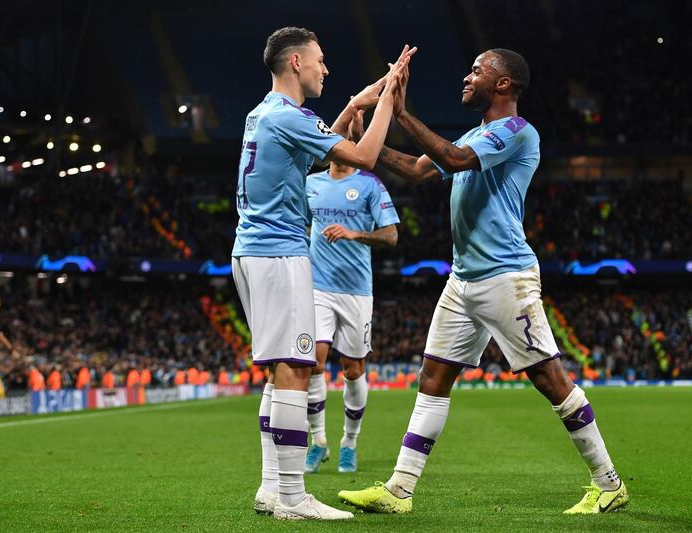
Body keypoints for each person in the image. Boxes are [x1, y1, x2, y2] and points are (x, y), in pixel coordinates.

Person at [338, 49, 629, 515]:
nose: (467, 75)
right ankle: (399, 491)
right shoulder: (477, 133)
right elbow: (417, 170)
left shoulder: (516, 131)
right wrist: (364, 149)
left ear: (504, 85)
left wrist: (402, 111)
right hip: (463, 278)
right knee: (432, 378)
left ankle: (609, 482)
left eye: (478, 70)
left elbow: (453, 160)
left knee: (549, 379)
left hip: (505, 276)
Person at [230, 26, 414, 521]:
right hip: (278, 254)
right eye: (320, 60)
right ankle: (293, 496)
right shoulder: (288, 116)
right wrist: (384, 103)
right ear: (295, 63)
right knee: (295, 368)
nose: (325, 69)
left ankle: (272, 488)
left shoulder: (263, 113)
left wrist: (358, 98)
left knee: (279, 372)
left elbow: (319, 143)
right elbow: (362, 155)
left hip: (251, 251)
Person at [303, 116, 400, 474]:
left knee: (353, 368)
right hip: (317, 287)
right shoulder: (310, 184)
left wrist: (354, 234)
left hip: (357, 291)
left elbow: (391, 236)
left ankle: (349, 442)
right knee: (313, 362)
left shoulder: (370, 185)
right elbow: (299, 223)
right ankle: (319, 442)